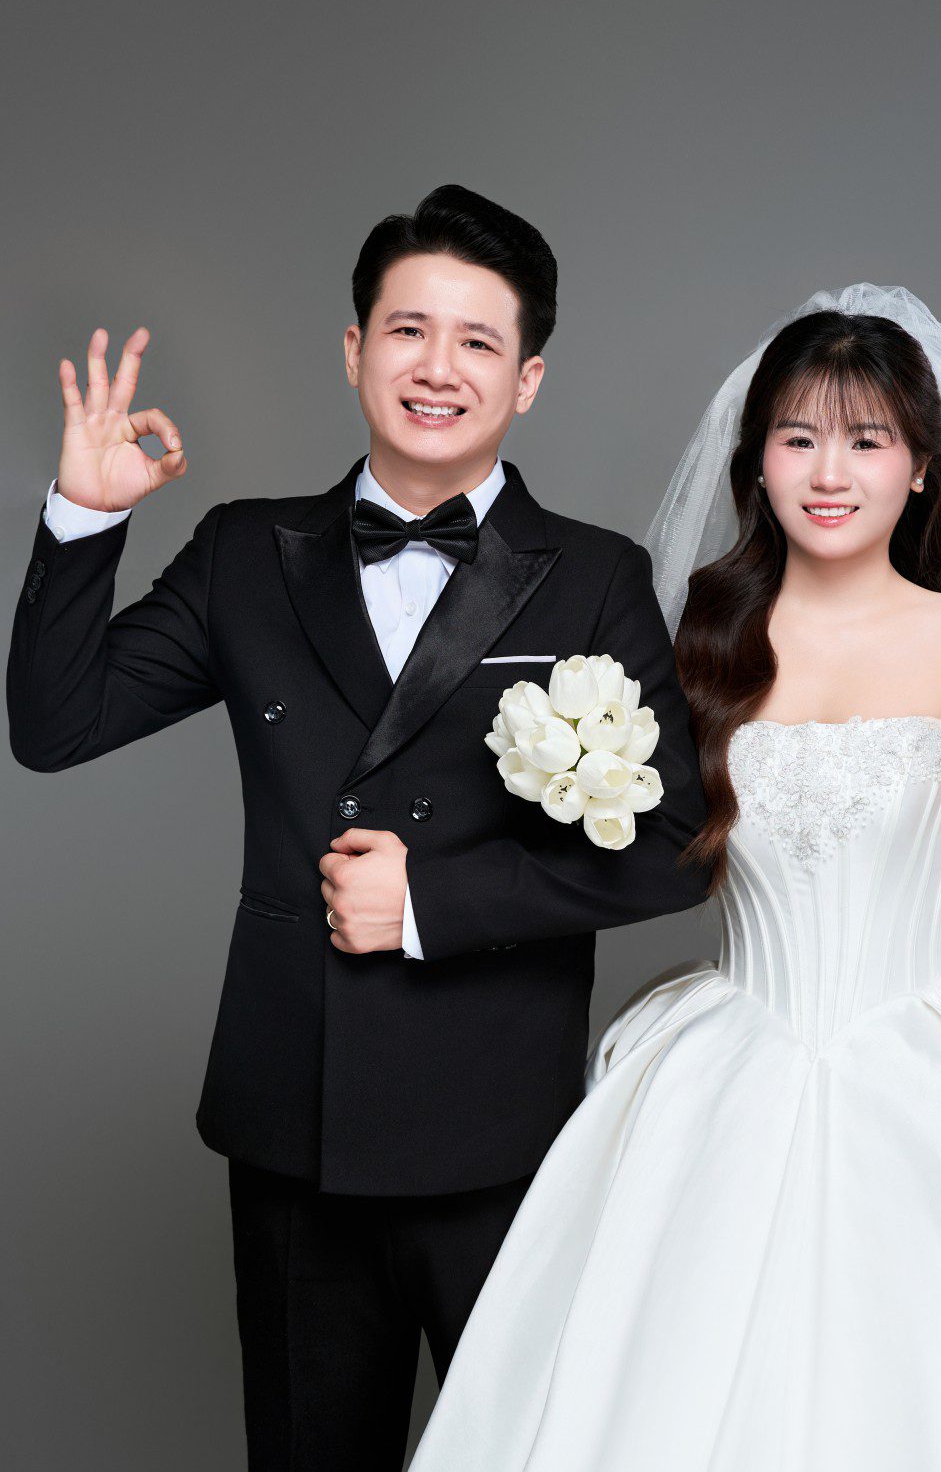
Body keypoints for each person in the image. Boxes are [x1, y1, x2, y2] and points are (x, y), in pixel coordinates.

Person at [405, 286, 941, 1470]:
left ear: (920, 469)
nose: (828, 472)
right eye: (798, 437)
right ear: (755, 460)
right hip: (724, 1065)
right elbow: (615, 843)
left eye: (866, 441)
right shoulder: (691, 633)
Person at [6, 184, 711, 1471]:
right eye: (407, 330)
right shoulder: (243, 552)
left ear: (528, 378)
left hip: (502, 1131)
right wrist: (86, 517)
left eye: (477, 341)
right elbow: (55, 725)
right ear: (353, 349)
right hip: (294, 1127)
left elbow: (673, 842)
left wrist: (433, 900)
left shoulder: (595, 572)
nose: (438, 367)